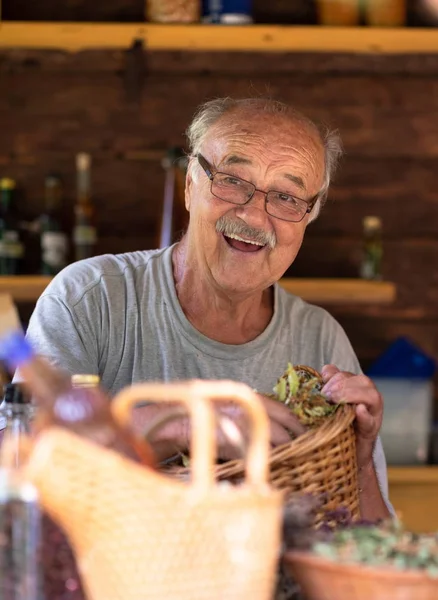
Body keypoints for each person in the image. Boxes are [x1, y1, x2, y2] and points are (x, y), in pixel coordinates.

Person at [21, 97, 392, 521]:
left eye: (287, 197)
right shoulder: (91, 298)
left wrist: (359, 462)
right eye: (233, 180)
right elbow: (24, 460)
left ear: (308, 218)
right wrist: (188, 424)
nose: (254, 215)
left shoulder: (320, 337)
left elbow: (372, 552)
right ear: (189, 186)